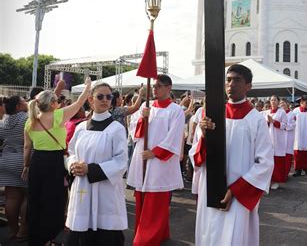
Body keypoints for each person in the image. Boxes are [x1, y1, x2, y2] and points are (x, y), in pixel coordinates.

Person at [189, 64, 274, 246]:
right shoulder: (210, 116)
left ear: (248, 86)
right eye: (228, 80)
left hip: (238, 193)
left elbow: (265, 163)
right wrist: (204, 136)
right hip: (211, 189)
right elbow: (195, 155)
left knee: (234, 237)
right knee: (209, 235)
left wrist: (236, 190)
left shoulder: (256, 119)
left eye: (237, 80)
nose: (231, 84)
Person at [22, 78, 91, 245]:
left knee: (35, 199)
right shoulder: (58, 116)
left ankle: (35, 237)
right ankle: (49, 238)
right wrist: (88, 85)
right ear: (53, 103)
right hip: (54, 162)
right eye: (57, 100)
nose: (59, 102)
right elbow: (81, 101)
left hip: (37, 161)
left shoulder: (30, 121)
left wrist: (26, 166)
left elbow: (27, 147)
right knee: (55, 200)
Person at [66, 82, 128, 245]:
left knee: (105, 235)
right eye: (100, 96)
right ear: (90, 100)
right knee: (81, 232)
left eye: (109, 96)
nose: (105, 100)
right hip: (82, 188)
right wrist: (72, 164)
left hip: (105, 191)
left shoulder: (116, 129)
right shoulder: (81, 128)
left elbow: (121, 161)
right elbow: (71, 152)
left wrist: (90, 169)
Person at [127, 74, 185, 246]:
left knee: (156, 201)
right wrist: (141, 119)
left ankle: (148, 238)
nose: (155, 89)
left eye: (159, 86)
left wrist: (155, 153)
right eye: (154, 86)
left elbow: (174, 136)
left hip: (159, 162)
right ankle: (151, 232)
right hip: (142, 159)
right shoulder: (147, 106)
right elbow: (135, 134)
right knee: (142, 198)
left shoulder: (176, 110)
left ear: (169, 88)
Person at [0, 96, 29, 241]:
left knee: (11, 197)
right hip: (23, 161)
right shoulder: (27, 118)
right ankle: (23, 231)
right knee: (28, 197)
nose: (27, 103)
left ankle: (12, 230)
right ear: (18, 106)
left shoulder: (4, 120)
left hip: (6, 160)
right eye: (24, 101)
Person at [264, 95, 287, 189]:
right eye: (271, 100)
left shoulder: (282, 112)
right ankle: (268, 180)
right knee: (268, 161)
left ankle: (275, 181)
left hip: (278, 140)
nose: (273, 102)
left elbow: (285, 125)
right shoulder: (265, 112)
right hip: (268, 139)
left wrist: (273, 121)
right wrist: (267, 122)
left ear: (278, 102)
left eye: (275, 100)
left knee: (277, 162)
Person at [280, 99, 296, 178]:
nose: (281, 104)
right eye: (280, 103)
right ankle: (281, 173)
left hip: (288, 136)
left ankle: (285, 173)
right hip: (280, 137)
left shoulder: (292, 114)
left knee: (287, 156)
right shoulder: (279, 113)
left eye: (283, 103)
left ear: (287, 104)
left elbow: (293, 125)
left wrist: (283, 126)